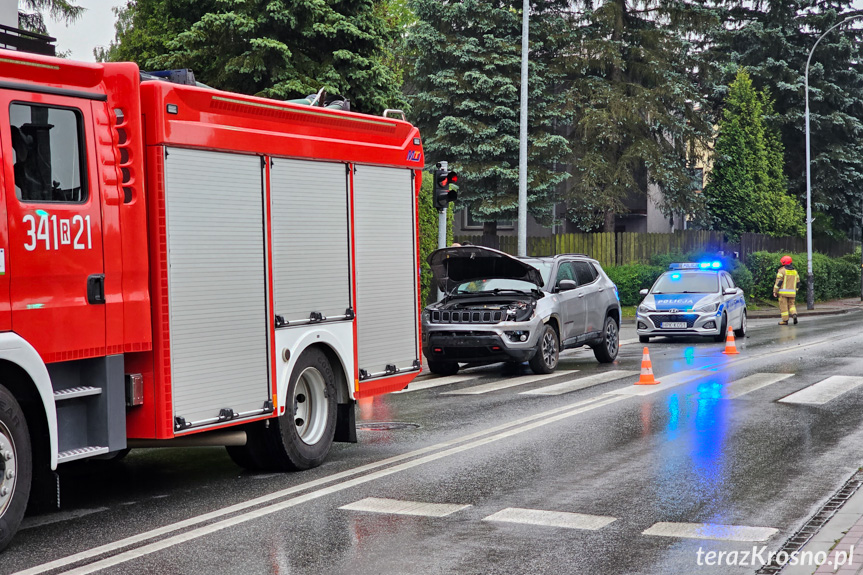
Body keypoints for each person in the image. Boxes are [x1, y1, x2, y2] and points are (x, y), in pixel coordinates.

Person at [773, 255, 799, 325]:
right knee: (792, 305)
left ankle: (785, 320)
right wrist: (796, 290)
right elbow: (798, 283)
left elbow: (778, 282)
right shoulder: (795, 272)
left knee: (783, 306)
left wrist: (775, 291)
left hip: (783, 293)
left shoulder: (782, 271)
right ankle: (794, 314)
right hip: (792, 293)